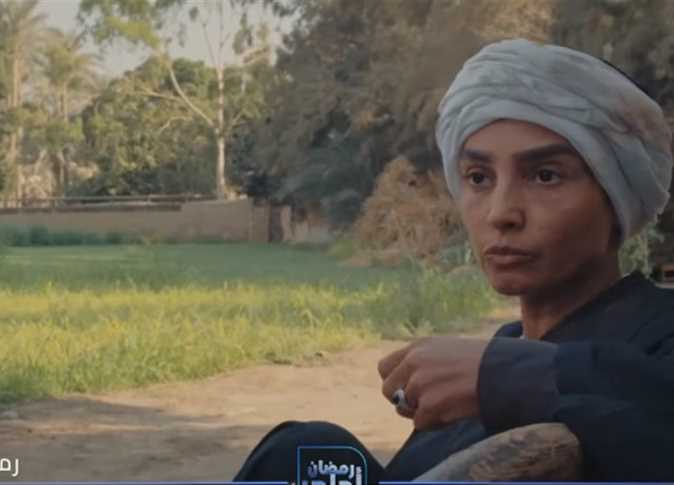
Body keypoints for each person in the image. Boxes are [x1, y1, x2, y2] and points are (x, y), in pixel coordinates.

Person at [233, 39, 674, 482]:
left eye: (545, 176)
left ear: (616, 198)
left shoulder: (658, 333)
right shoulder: (502, 347)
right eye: (478, 178)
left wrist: (500, 379)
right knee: (304, 453)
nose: (501, 213)